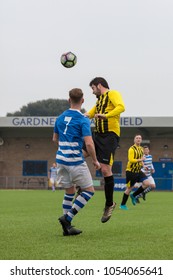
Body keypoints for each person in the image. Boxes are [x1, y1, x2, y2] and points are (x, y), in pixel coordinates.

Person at [53, 88, 100, 236]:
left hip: (60, 159)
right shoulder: (83, 119)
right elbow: (90, 143)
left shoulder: (59, 118)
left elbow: (55, 139)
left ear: (69, 100)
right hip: (75, 161)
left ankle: (67, 229)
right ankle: (67, 218)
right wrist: (95, 160)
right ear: (83, 100)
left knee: (70, 192)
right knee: (89, 191)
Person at [84, 77, 125, 223]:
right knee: (79, 155)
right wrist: (80, 116)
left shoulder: (113, 93)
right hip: (97, 135)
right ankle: (82, 186)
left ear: (99, 85)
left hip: (110, 136)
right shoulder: (99, 101)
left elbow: (121, 107)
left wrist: (106, 115)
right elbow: (90, 113)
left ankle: (109, 204)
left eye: (93, 88)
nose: (92, 92)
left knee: (106, 170)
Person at [120, 135, 151, 210]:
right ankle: (122, 205)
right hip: (131, 171)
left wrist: (143, 166)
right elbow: (131, 160)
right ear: (134, 140)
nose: (138, 139)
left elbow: (141, 160)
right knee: (129, 188)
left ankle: (134, 195)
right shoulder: (131, 149)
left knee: (147, 183)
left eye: (140, 138)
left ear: (141, 140)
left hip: (138, 170)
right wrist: (141, 159)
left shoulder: (141, 149)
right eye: (137, 138)